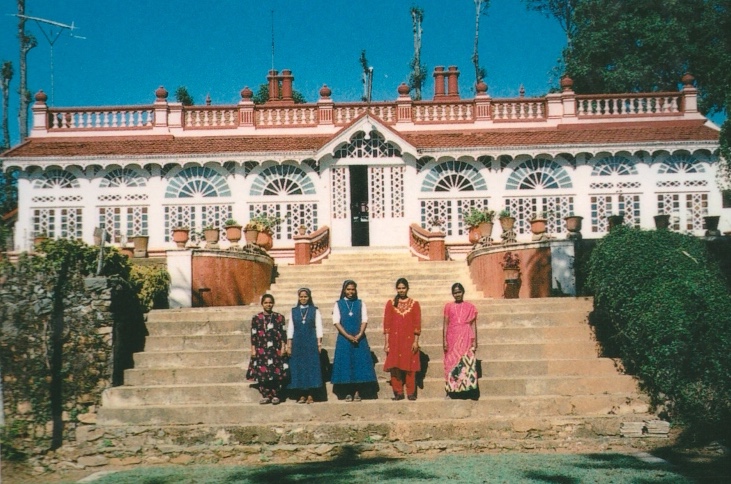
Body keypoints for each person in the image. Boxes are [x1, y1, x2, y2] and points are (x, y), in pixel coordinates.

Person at [331, 279, 377, 401]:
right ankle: (347, 392)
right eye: (348, 289)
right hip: (344, 339)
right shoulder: (338, 304)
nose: (350, 292)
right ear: (344, 290)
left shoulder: (360, 303)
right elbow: (336, 322)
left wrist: (360, 333)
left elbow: (364, 320)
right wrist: (347, 336)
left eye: (353, 289)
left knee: (358, 365)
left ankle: (358, 391)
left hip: (359, 339)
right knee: (346, 364)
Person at [383, 278, 422, 401]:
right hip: (394, 340)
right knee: (395, 366)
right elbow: (387, 324)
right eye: (399, 288)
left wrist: (416, 341)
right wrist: (386, 343)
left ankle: (411, 392)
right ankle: (398, 392)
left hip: (409, 340)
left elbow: (417, 324)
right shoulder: (390, 303)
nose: (401, 290)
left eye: (403, 288)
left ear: (407, 288)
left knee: (410, 365)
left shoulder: (414, 304)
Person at [246, 294, 289, 405]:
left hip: (275, 349)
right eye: (266, 303)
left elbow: (283, 333)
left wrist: (284, 347)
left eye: (270, 302)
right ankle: (266, 395)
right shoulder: (256, 318)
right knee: (263, 373)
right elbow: (254, 335)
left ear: (273, 303)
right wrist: (253, 349)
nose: (268, 305)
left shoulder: (279, 317)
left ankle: (276, 395)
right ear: (262, 304)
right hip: (262, 350)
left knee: (276, 372)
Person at [286, 288, 323, 404]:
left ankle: (311, 394)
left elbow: (319, 327)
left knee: (311, 367)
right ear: (298, 297)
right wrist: (289, 345)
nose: (303, 299)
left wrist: (319, 343)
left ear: (309, 297)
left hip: (311, 342)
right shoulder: (293, 311)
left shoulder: (314, 310)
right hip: (298, 343)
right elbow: (290, 329)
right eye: (301, 297)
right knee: (299, 368)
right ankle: (301, 394)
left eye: (305, 297)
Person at [443, 282, 479, 399]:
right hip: (452, 337)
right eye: (455, 293)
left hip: (466, 336)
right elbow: (445, 324)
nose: (457, 294)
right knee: (452, 363)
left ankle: (467, 391)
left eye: (459, 292)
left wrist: (475, 341)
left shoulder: (470, 307)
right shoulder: (448, 307)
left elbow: (473, 325)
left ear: (463, 292)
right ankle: (452, 391)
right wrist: (444, 341)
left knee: (466, 363)